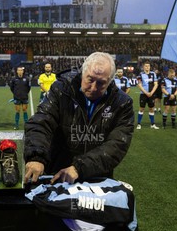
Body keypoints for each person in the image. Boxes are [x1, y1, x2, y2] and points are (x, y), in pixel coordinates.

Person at [24, 52, 134, 185]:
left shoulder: (122, 103)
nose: (93, 88)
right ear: (82, 72)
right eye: (90, 79)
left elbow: (117, 145)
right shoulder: (61, 90)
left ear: (110, 81)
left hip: (96, 177)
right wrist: (37, 156)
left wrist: (79, 168)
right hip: (56, 174)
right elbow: (42, 121)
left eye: (101, 83)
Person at [136, 61, 159, 129]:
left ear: (150, 67)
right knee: (141, 108)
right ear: (143, 67)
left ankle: (152, 124)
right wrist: (146, 92)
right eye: (146, 66)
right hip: (143, 94)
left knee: (151, 109)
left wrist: (151, 92)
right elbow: (139, 85)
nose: (147, 67)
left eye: (148, 66)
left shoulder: (153, 74)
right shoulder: (140, 74)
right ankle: (139, 124)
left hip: (151, 94)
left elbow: (156, 84)